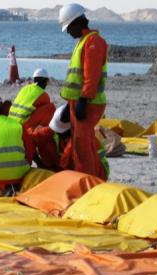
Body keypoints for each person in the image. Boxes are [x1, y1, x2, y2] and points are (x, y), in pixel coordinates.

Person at [58, 3, 108, 180]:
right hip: (79, 101)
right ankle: (92, 179)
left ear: (77, 22)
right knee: (82, 144)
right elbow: (77, 79)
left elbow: (91, 75)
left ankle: (87, 182)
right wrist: (69, 104)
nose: (68, 33)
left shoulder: (93, 42)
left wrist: (83, 101)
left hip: (89, 102)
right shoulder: (84, 41)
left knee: (82, 147)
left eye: (69, 28)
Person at [30, 103, 110, 177]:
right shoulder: (55, 130)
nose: (57, 133)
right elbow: (32, 138)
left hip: (95, 174)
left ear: (70, 129)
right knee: (45, 141)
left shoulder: (79, 142)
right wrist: (39, 162)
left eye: (61, 132)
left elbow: (65, 164)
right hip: (64, 169)